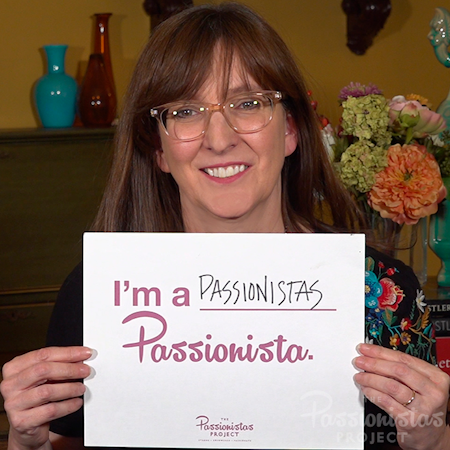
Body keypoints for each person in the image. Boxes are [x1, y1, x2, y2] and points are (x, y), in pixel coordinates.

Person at [1, 3, 449, 450]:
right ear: (158, 149)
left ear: (290, 130)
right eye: (186, 111)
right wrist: (26, 443)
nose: (219, 139)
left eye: (248, 104)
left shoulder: (386, 295)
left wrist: (432, 440)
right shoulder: (97, 296)